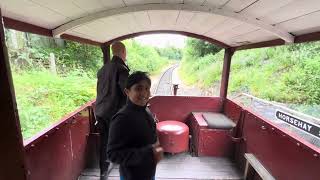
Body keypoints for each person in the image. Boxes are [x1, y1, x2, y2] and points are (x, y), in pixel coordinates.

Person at [107, 71, 164, 180]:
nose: (144, 93)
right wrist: (149, 153)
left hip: (149, 173)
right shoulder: (121, 118)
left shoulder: (145, 110)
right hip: (132, 176)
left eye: (147, 88)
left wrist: (156, 145)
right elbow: (112, 154)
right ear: (127, 92)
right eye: (138, 88)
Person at [95, 41, 129, 179]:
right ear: (123, 52)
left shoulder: (102, 69)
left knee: (104, 142)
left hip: (100, 112)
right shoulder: (122, 69)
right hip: (114, 114)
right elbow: (126, 92)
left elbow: (100, 91)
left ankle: (103, 172)